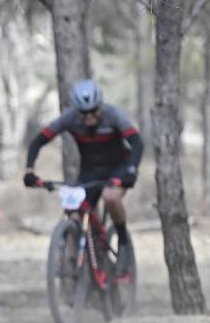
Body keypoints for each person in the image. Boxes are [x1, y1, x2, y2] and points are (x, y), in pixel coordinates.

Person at [23, 78, 144, 276]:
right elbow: (38, 141)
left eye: (93, 112)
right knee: (73, 212)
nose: (88, 117)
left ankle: (122, 242)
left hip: (118, 168)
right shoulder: (70, 118)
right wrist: (29, 171)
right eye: (83, 113)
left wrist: (131, 170)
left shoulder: (114, 116)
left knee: (110, 197)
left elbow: (137, 143)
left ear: (100, 106)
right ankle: (74, 265)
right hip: (89, 171)